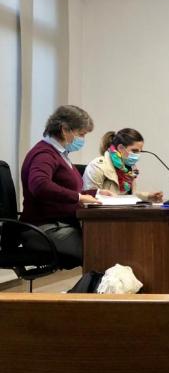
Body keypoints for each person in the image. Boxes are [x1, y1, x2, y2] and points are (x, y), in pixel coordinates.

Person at [20, 105, 105, 264]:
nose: (82, 139)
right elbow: (40, 185)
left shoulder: (59, 154)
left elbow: (67, 191)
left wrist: (97, 193)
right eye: (81, 134)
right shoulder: (44, 154)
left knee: (106, 244)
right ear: (65, 129)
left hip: (59, 225)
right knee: (101, 252)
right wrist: (79, 197)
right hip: (44, 229)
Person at [82, 129, 163, 202]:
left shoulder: (130, 169)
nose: (138, 155)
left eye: (140, 151)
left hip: (123, 211)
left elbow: (128, 196)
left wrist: (148, 197)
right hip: (103, 212)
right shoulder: (97, 166)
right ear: (120, 148)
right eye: (134, 151)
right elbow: (89, 199)